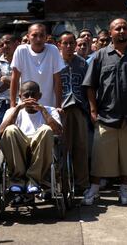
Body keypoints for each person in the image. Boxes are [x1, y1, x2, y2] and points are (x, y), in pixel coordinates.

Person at [81, 18, 127, 206]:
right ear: (110, 33)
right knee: (100, 157)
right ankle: (94, 189)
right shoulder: (99, 56)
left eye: (125, 28)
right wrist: (92, 110)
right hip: (106, 116)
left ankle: (124, 189)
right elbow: (90, 86)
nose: (122, 31)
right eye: (118, 28)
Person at [0, 81, 62, 197]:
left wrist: (43, 111)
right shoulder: (12, 111)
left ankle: (33, 180)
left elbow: (58, 131)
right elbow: (2, 132)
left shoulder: (50, 110)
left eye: (33, 95)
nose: (30, 98)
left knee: (46, 129)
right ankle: (18, 180)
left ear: (39, 96)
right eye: (26, 95)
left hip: (40, 148)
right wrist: (17, 109)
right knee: (10, 129)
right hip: (19, 149)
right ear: (20, 97)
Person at [58, 31, 89, 191]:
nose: (69, 46)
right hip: (61, 110)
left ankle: (82, 184)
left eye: (72, 43)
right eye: (66, 43)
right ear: (59, 45)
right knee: (63, 148)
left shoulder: (83, 63)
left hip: (79, 109)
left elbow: (89, 87)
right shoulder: (55, 62)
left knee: (81, 147)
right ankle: (63, 184)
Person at [10, 23, 64, 108]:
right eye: (34, 35)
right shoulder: (21, 50)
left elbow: (57, 81)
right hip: (26, 105)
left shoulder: (53, 50)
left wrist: (58, 107)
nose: (38, 39)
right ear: (28, 37)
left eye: (41, 35)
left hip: (49, 106)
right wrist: (12, 105)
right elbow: (15, 79)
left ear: (46, 37)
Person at [0, 34, 17, 130]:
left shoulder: (22, 61)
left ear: (16, 44)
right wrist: (17, 80)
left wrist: (6, 79)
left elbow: (26, 82)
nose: (5, 46)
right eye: (2, 44)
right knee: (2, 134)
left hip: (21, 102)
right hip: (3, 104)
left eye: (8, 43)